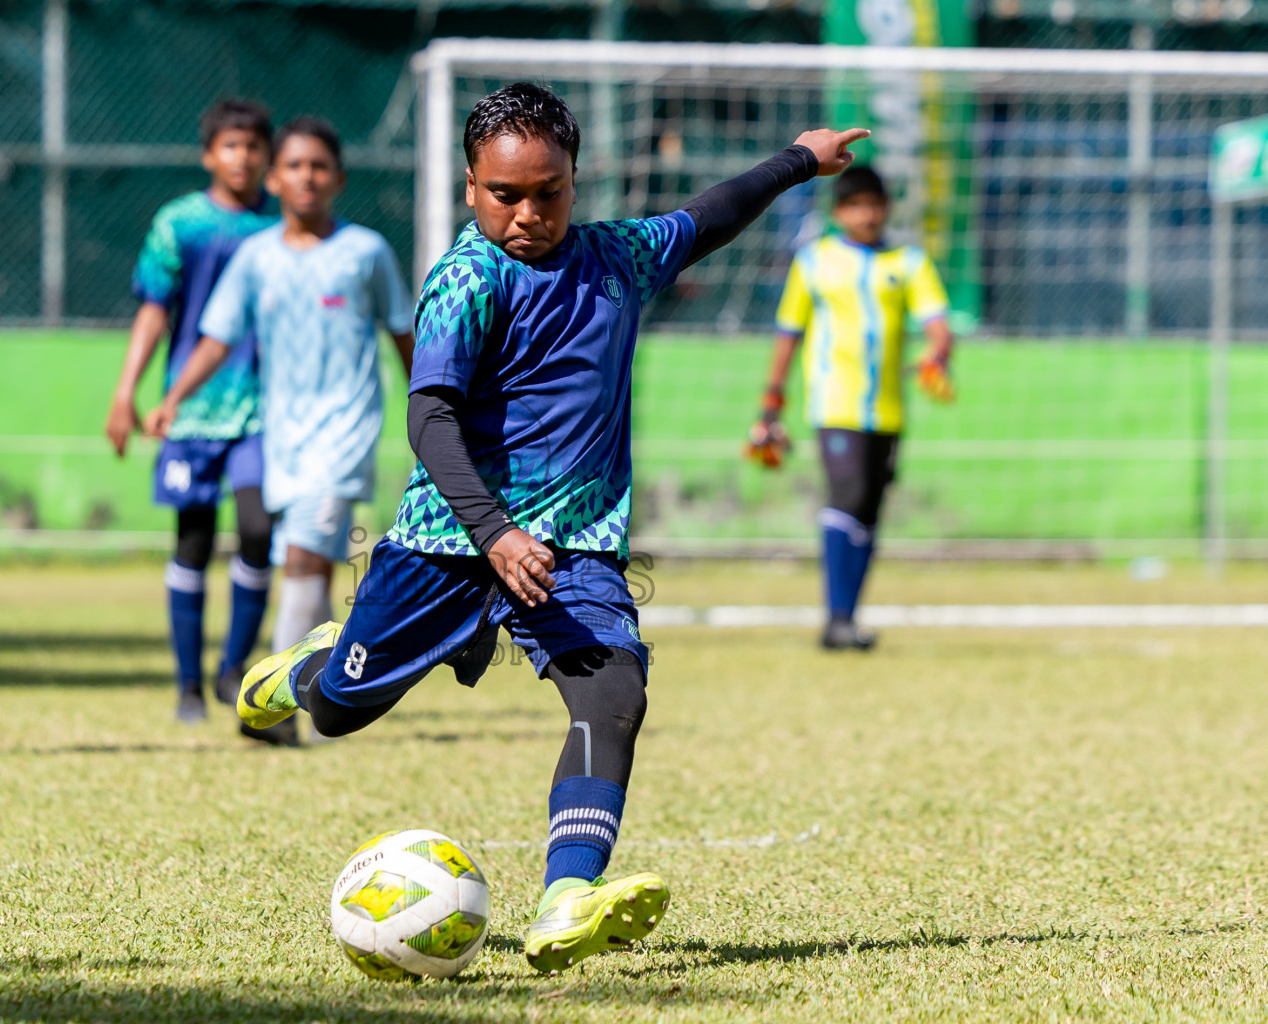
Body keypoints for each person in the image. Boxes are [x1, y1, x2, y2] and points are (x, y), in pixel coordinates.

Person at [230, 83, 865, 972]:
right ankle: (309, 669)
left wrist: (799, 159)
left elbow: (708, 217)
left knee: (614, 692)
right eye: (506, 195)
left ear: (575, 180)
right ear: (470, 188)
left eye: (549, 192)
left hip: (572, 549)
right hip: (447, 546)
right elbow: (430, 421)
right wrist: (493, 532)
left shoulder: (618, 258)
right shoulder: (467, 278)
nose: (528, 213)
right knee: (339, 712)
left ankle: (567, 897)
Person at [148, 117, 416, 746]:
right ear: (275, 179)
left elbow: (404, 335)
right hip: (281, 438)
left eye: (319, 166)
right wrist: (174, 398)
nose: (307, 177)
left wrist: (432, 411)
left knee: (300, 559)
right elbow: (216, 338)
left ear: (339, 179)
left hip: (343, 435)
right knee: (310, 571)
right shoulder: (256, 257)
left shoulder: (365, 252)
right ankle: (330, 705)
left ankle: (265, 709)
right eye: (294, 166)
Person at [104, 99, 280, 730]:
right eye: (231, 146)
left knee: (259, 531)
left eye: (254, 146)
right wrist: (127, 393)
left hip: (263, 410)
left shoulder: (284, 225)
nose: (243, 157)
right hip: (192, 410)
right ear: (210, 155)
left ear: (269, 156)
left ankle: (234, 670)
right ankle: (186, 683)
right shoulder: (179, 223)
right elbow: (154, 309)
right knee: (193, 541)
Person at [748, 165, 954, 651]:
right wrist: (772, 400)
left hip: (887, 410)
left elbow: (938, 324)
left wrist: (938, 355)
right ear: (839, 211)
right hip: (834, 403)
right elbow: (788, 332)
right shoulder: (814, 261)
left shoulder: (908, 262)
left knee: (869, 509)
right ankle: (837, 619)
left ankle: (848, 619)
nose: (867, 214)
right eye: (856, 204)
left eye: (875, 204)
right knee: (848, 494)